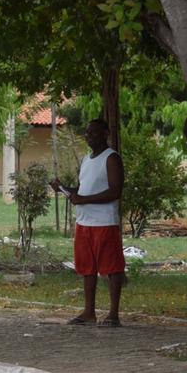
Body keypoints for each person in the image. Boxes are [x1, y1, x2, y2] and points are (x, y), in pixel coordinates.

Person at [52, 119, 126, 327]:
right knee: (87, 268)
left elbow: (115, 191)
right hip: (84, 222)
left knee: (112, 268)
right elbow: (82, 190)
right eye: (87, 133)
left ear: (105, 133)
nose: (89, 136)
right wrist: (65, 189)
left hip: (104, 222)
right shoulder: (86, 159)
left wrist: (84, 199)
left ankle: (113, 314)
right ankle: (89, 311)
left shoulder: (111, 158)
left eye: (93, 133)